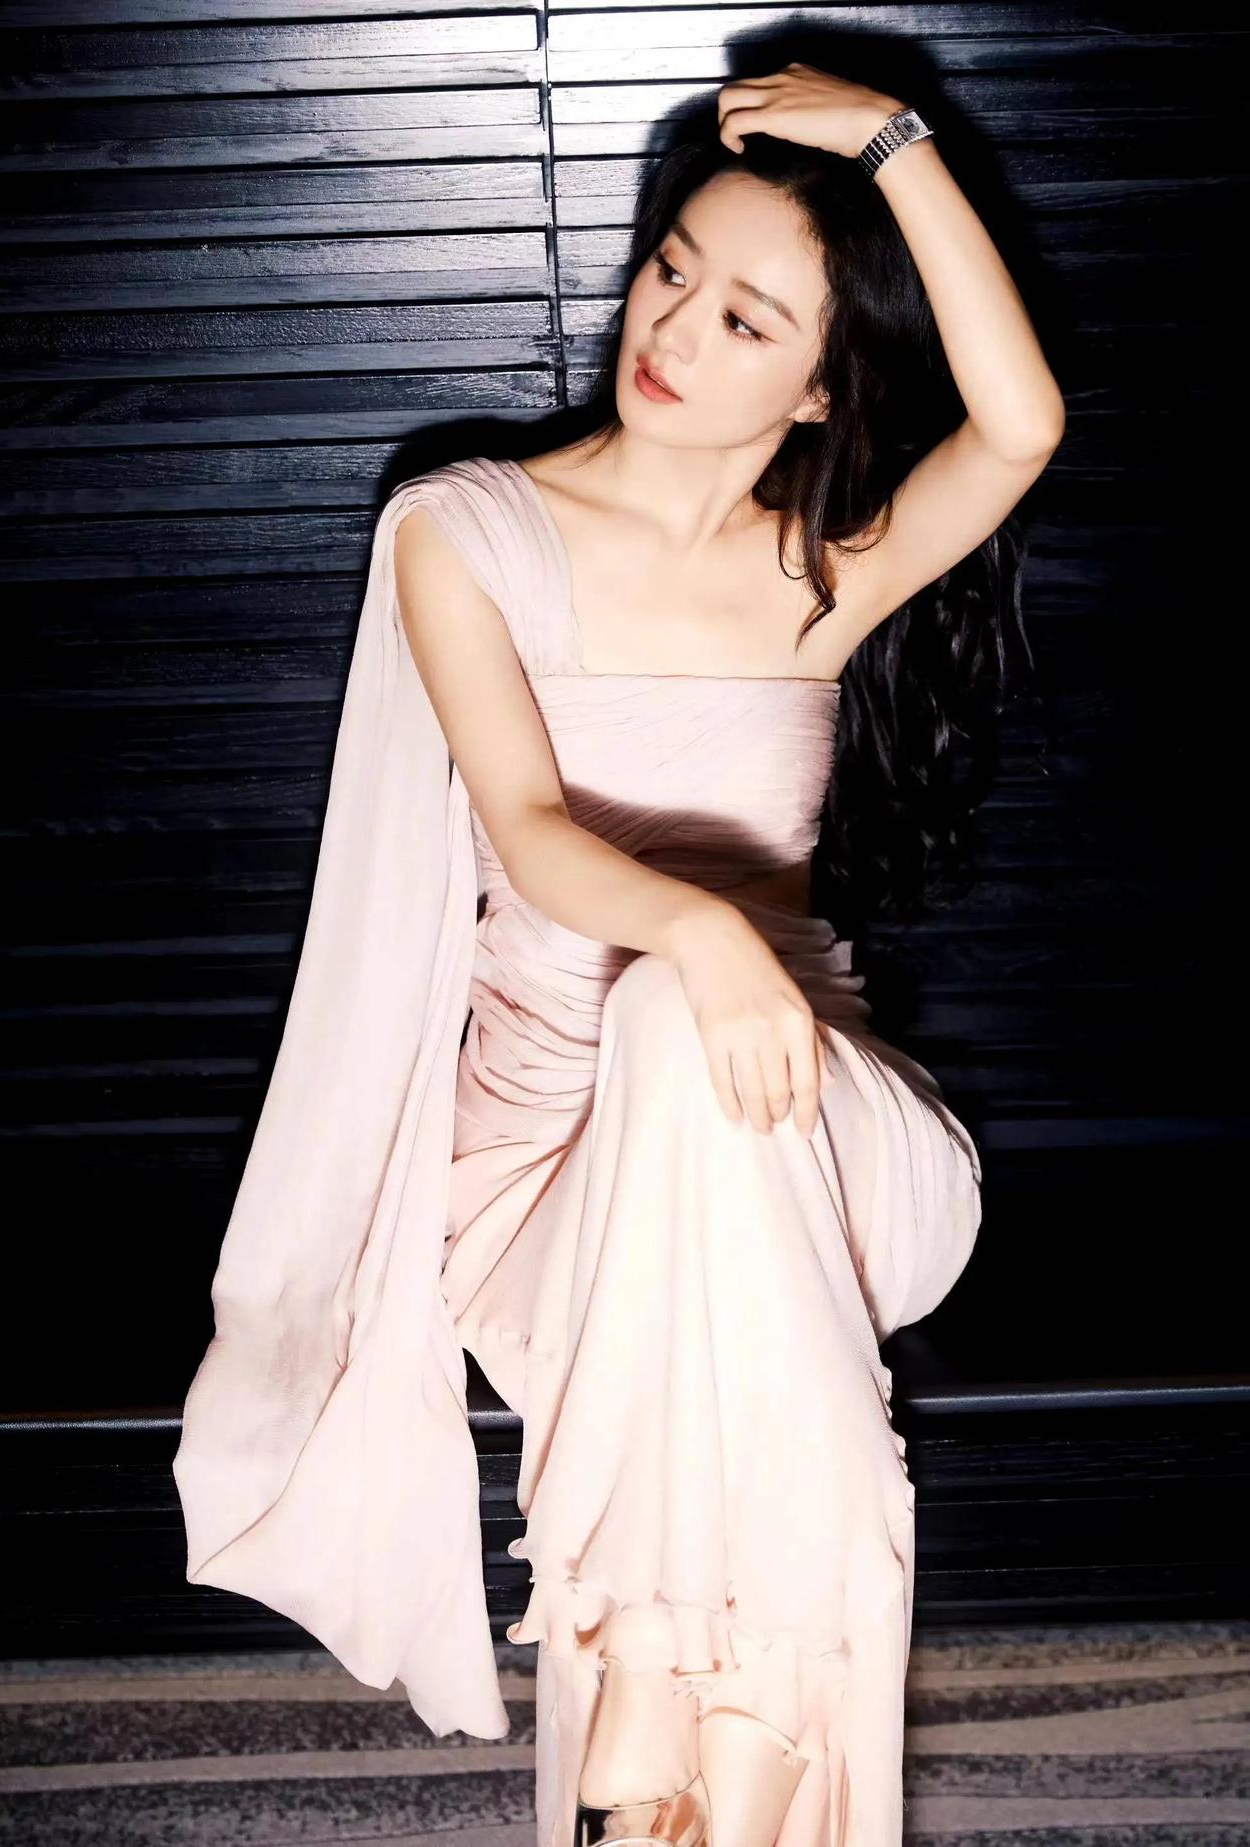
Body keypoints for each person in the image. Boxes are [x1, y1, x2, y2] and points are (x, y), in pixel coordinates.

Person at [173, 62, 1064, 1847]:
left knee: (684, 1032)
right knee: (668, 1030)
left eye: (747, 319)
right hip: (546, 1192)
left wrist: (895, 145)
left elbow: (1021, 423)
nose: (670, 328)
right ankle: (745, 1770)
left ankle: (650, 1669)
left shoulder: (824, 567)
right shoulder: (467, 531)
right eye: (671, 269)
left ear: (822, 386)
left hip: (827, 1147)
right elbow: (528, 826)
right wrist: (700, 932)